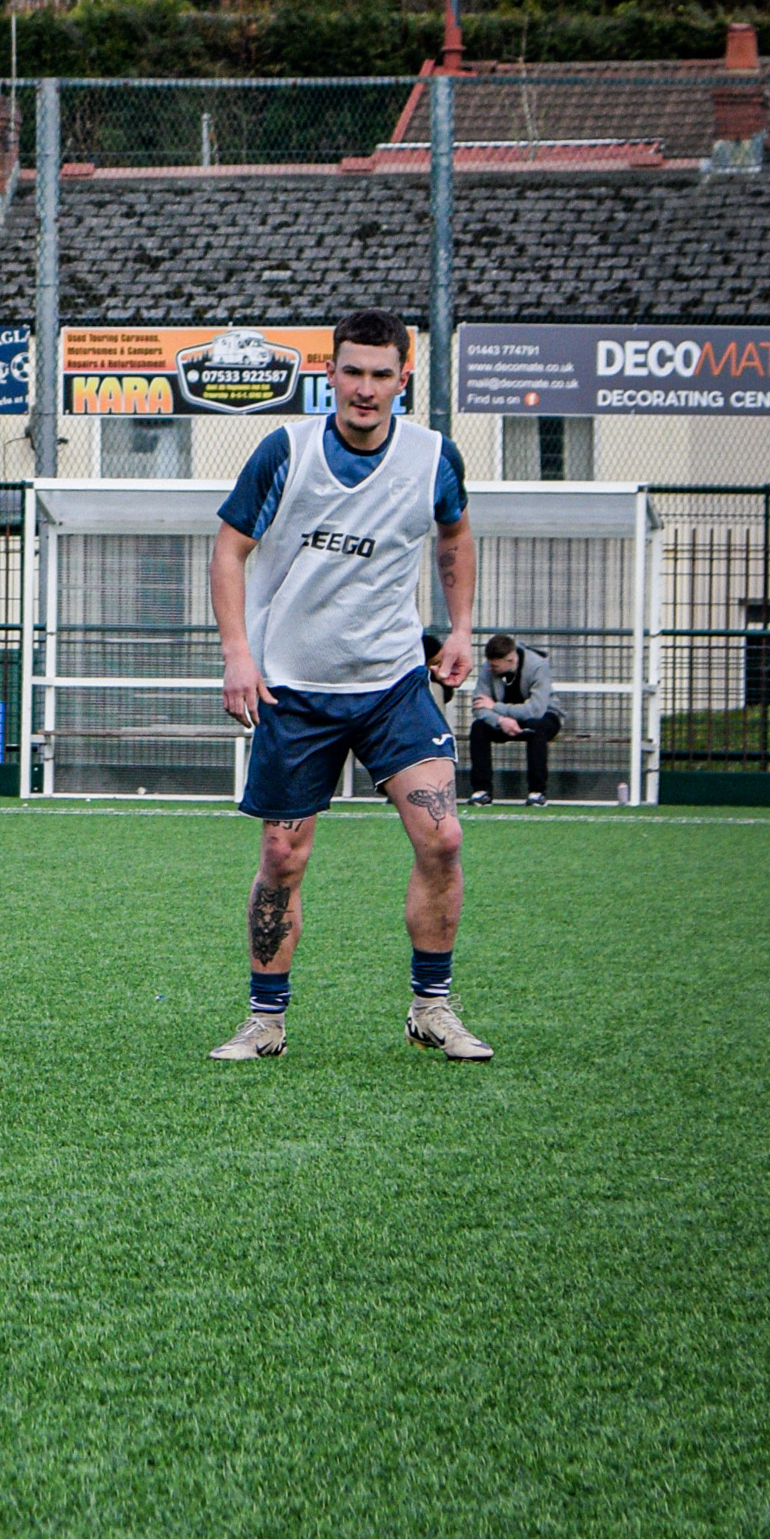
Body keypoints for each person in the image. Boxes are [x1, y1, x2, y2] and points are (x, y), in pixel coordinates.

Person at [207, 305, 492, 1065]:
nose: (364, 390)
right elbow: (230, 549)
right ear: (329, 373)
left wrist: (461, 630)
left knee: (443, 836)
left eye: (380, 375)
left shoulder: (433, 457)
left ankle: (432, 1007)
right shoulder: (285, 452)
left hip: (393, 682)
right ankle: (266, 1020)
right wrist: (239, 653)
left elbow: (455, 533)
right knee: (283, 858)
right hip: (294, 689)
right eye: (351, 372)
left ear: (404, 379)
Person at [468, 632, 563, 808]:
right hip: (505, 720)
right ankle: (481, 791)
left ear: (511, 660)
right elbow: (479, 706)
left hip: (544, 716)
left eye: (495, 666)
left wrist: (496, 708)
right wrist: (500, 720)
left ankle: (537, 792)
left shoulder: (538, 666)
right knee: (479, 728)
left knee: (537, 728)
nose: (490, 669)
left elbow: (535, 709)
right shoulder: (488, 668)